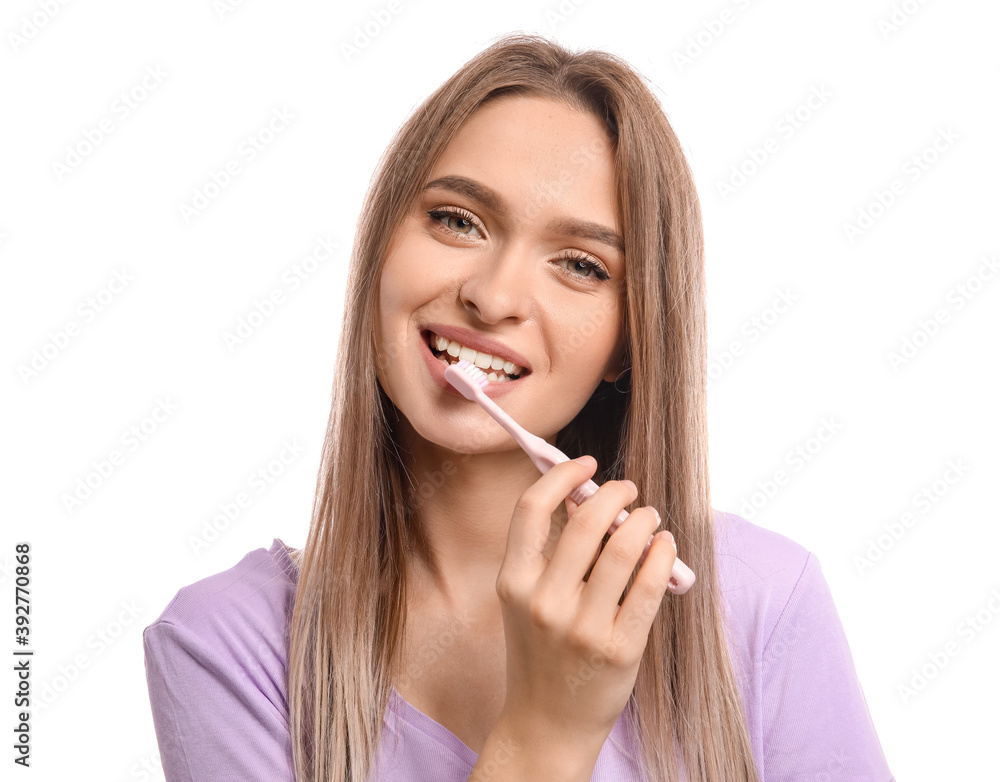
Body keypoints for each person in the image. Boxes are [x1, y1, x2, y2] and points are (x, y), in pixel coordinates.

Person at [143, 33, 894, 782]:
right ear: (380, 251)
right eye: (457, 220)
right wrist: (546, 734)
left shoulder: (763, 601)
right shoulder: (226, 646)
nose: (493, 295)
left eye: (581, 265)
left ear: (631, 341)